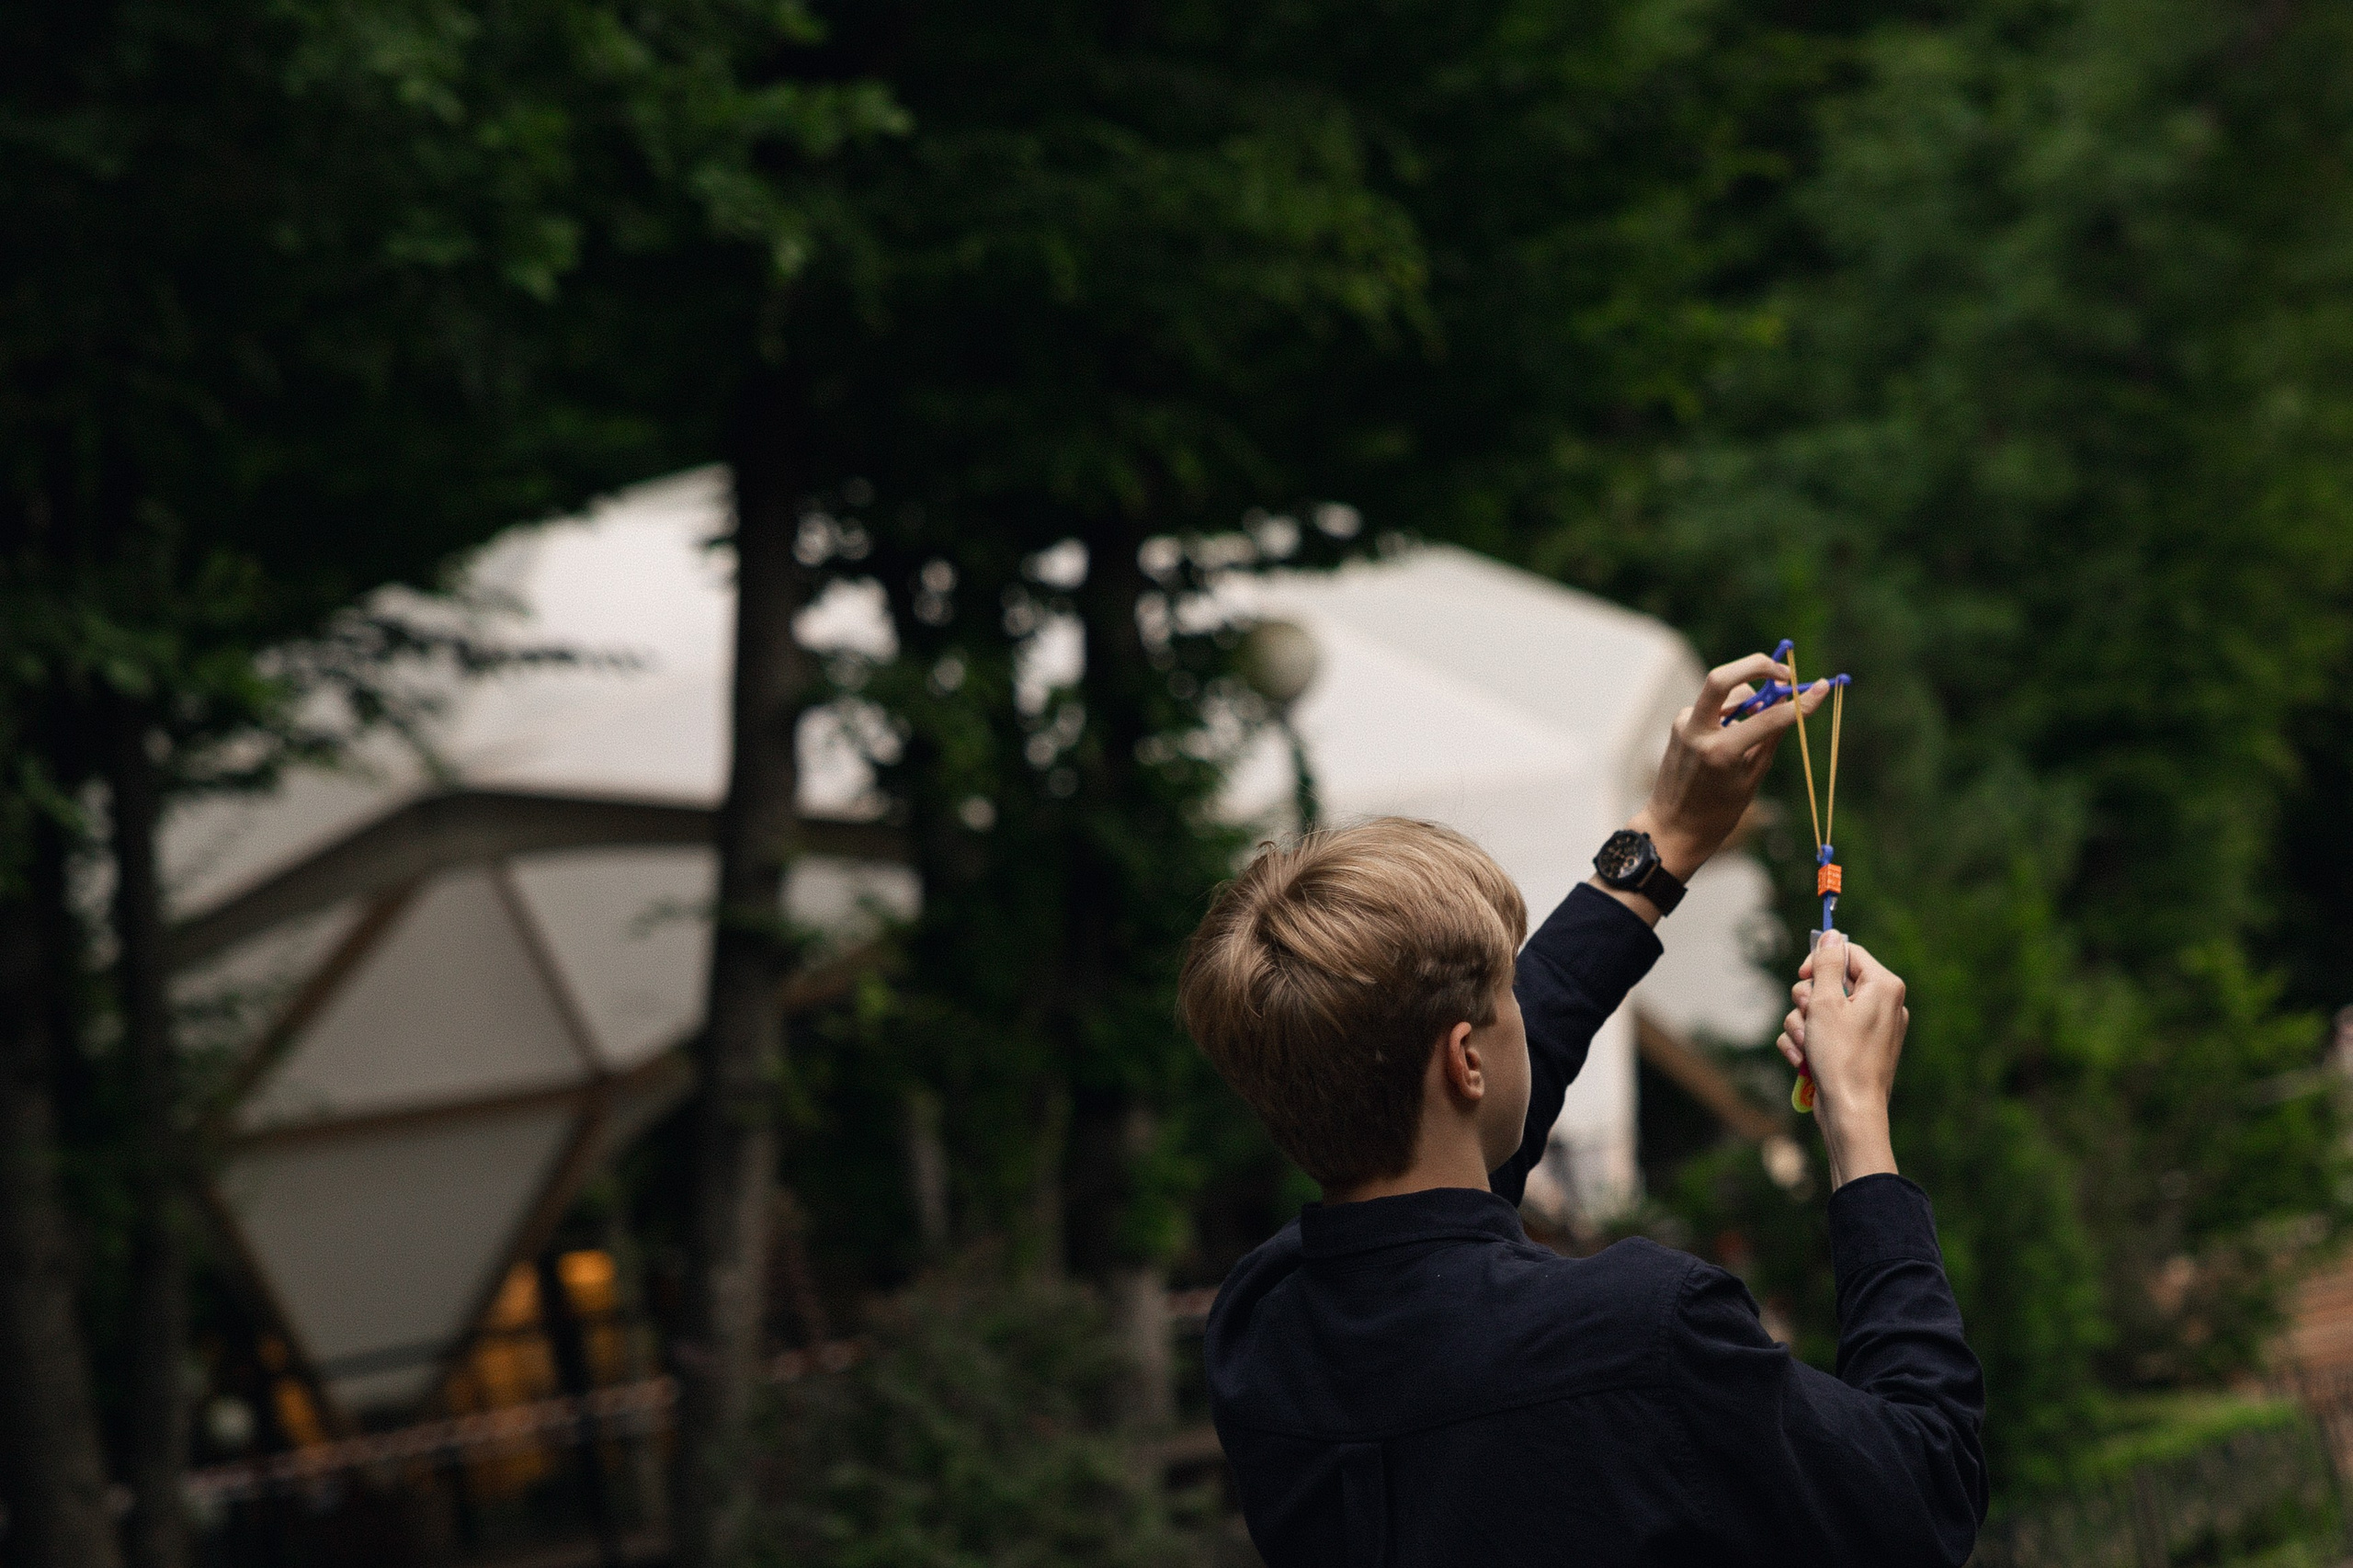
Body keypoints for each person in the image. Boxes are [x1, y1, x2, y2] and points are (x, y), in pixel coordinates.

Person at [1180, 653, 1985, 1566]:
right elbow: (1924, 1492)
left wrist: (1662, 839)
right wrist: (1858, 1123)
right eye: (1506, 993)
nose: (1530, 1001)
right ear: (1465, 1058)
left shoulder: (1260, 1327)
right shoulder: (1637, 1333)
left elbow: (1455, 1142)